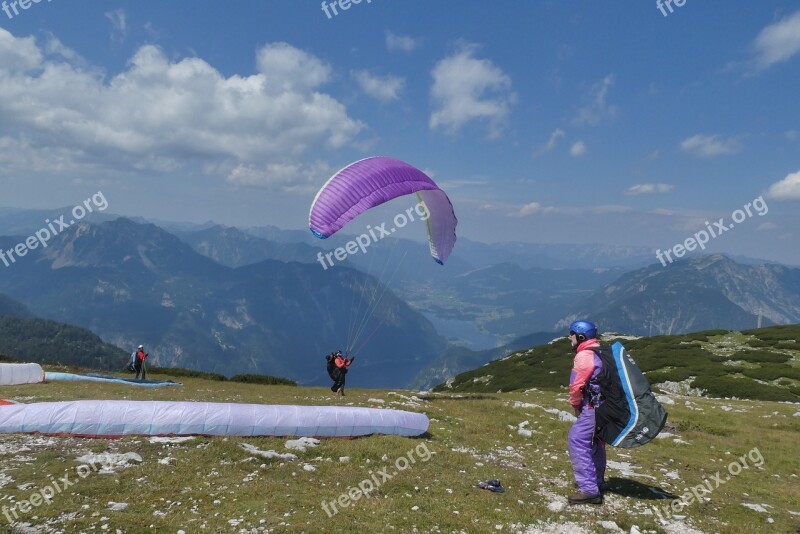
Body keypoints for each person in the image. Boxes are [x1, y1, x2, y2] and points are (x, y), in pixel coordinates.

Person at [566, 320, 606, 505]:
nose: (569, 337)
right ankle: (597, 482)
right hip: (604, 407)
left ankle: (590, 490)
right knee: (596, 441)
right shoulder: (600, 352)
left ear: (580, 336)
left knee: (577, 439)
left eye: (571, 334)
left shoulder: (584, 356)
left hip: (592, 407)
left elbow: (576, 386)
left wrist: (575, 405)